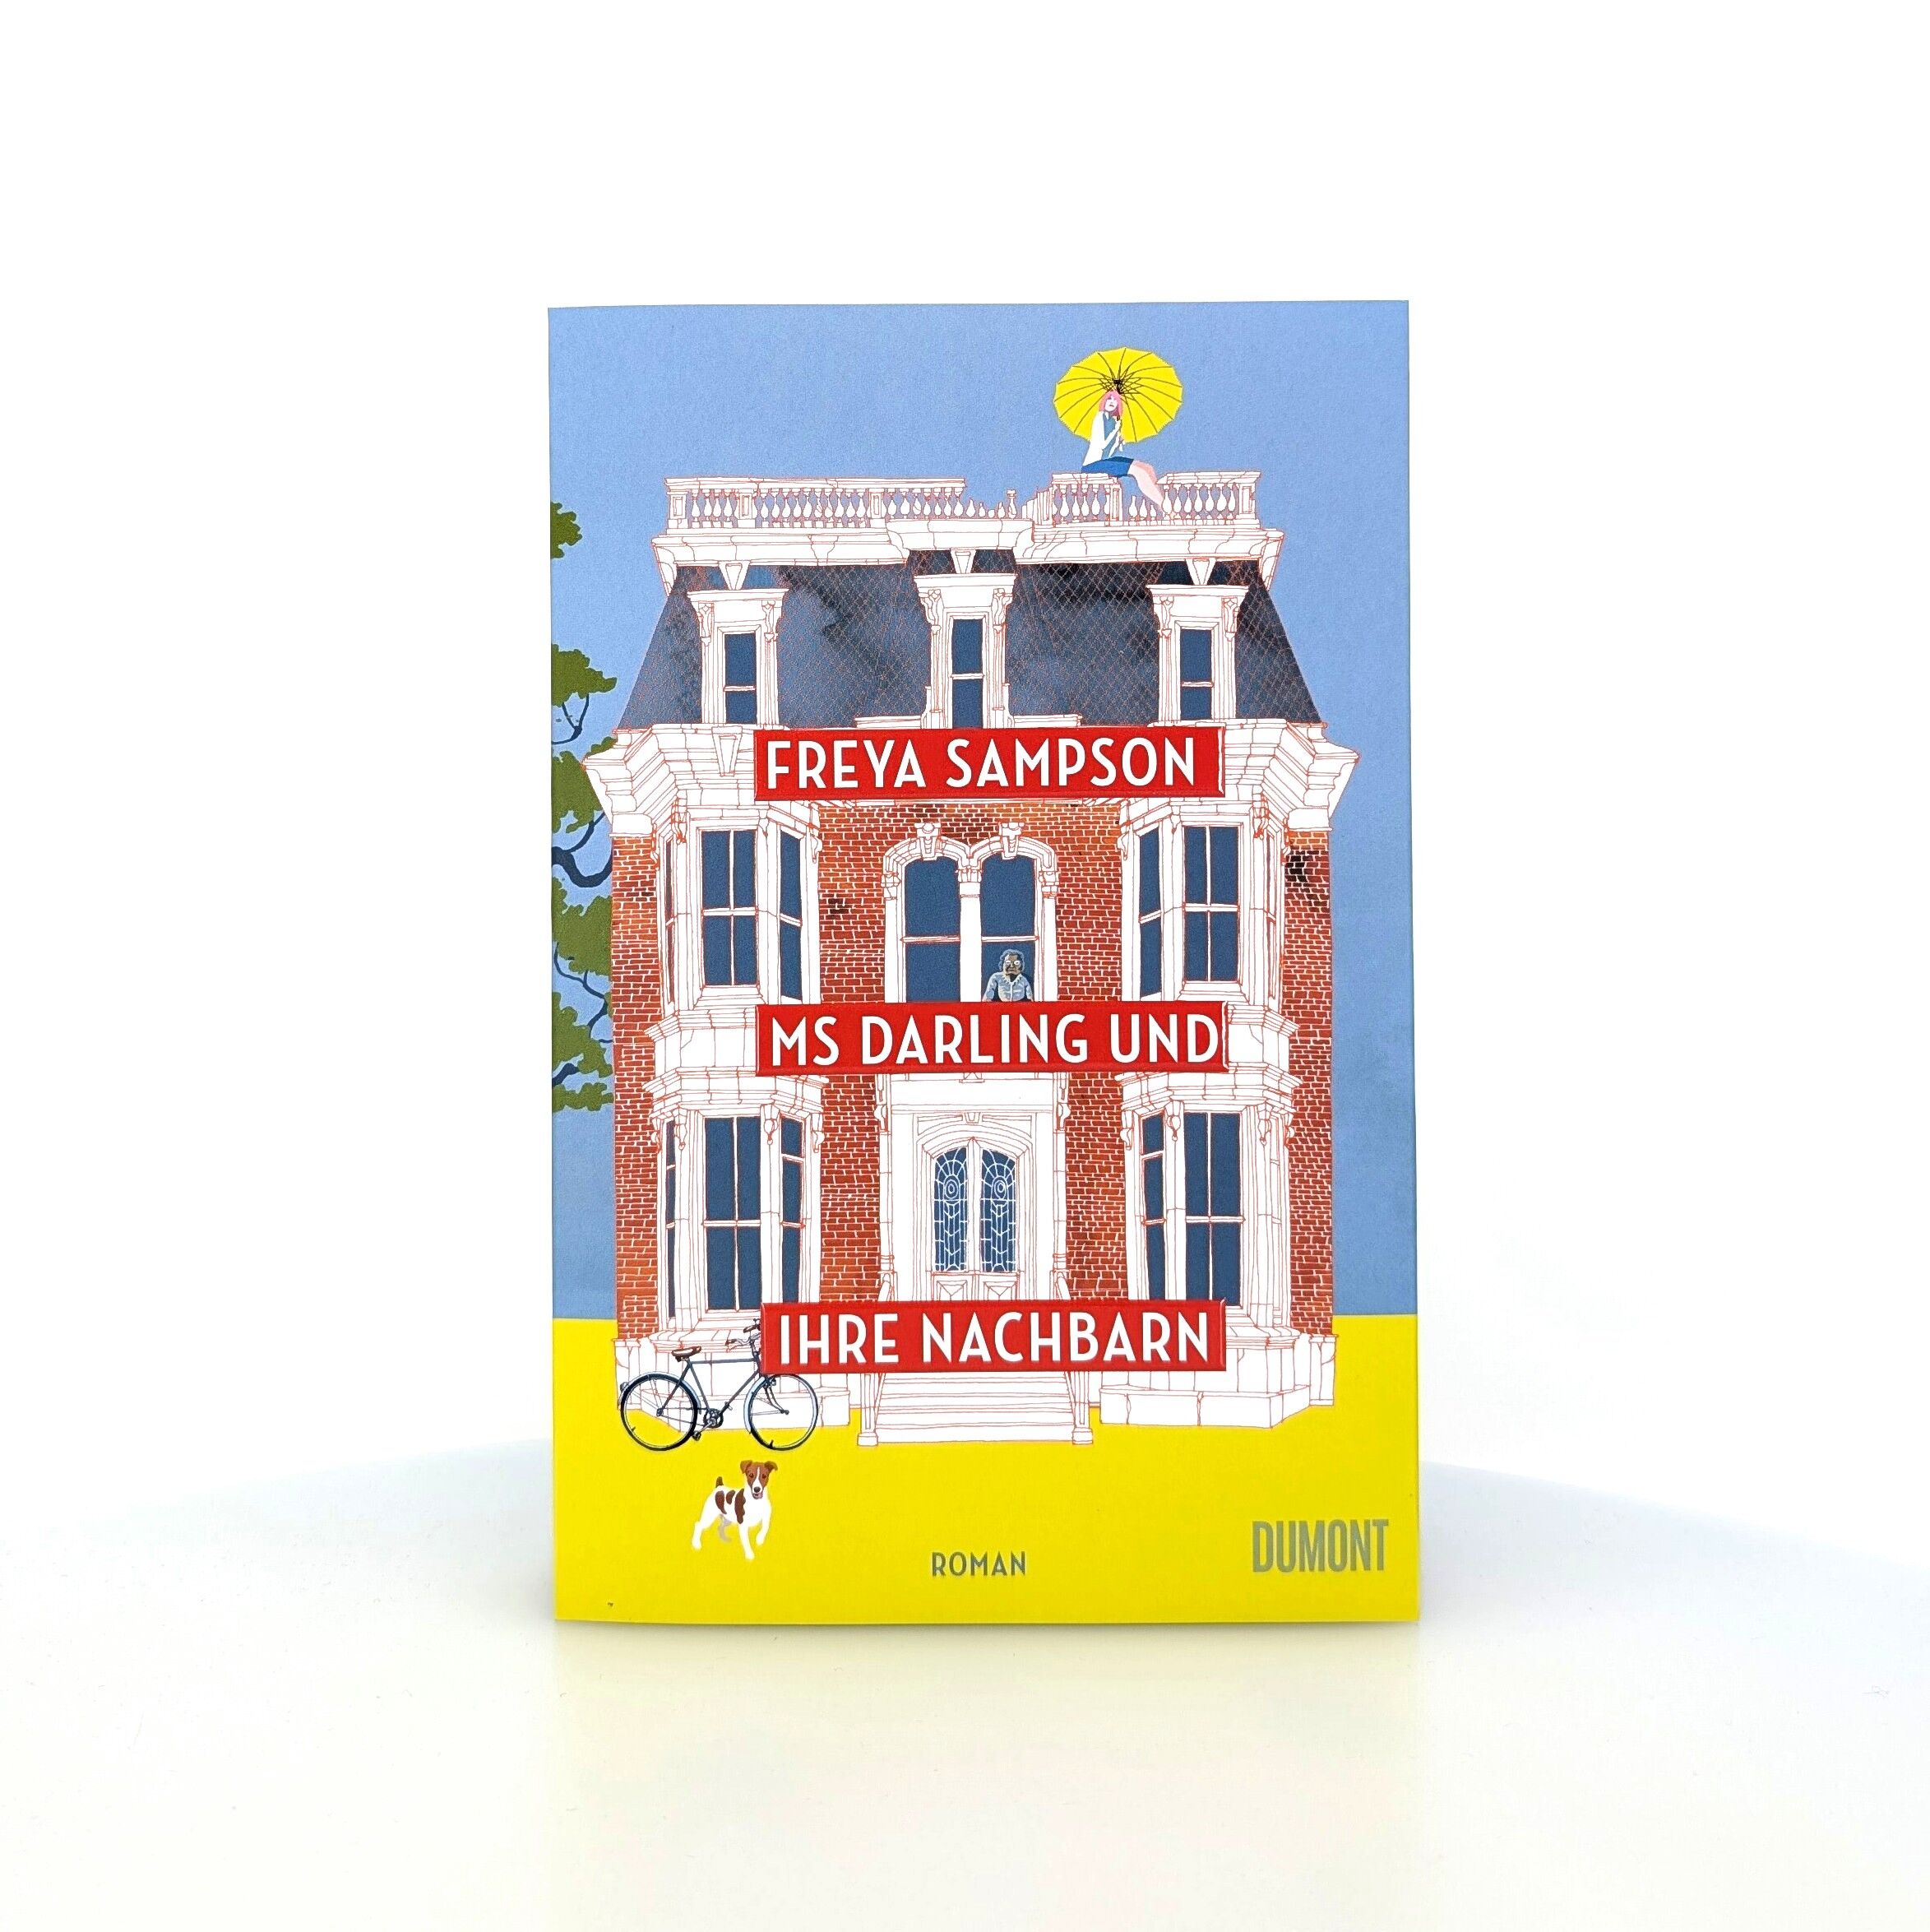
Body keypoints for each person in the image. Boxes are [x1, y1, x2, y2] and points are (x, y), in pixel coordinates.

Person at [1082, 387, 1167, 510]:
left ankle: (1160, 502)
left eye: (1115, 400)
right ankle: (1164, 506)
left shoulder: (1113, 421)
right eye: (1109, 398)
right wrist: (1115, 431)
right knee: (1139, 472)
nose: (1112, 402)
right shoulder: (1100, 418)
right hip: (1093, 465)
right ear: (1104, 401)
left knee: (1147, 468)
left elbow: (1108, 453)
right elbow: (1102, 445)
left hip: (1104, 461)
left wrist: (1117, 441)